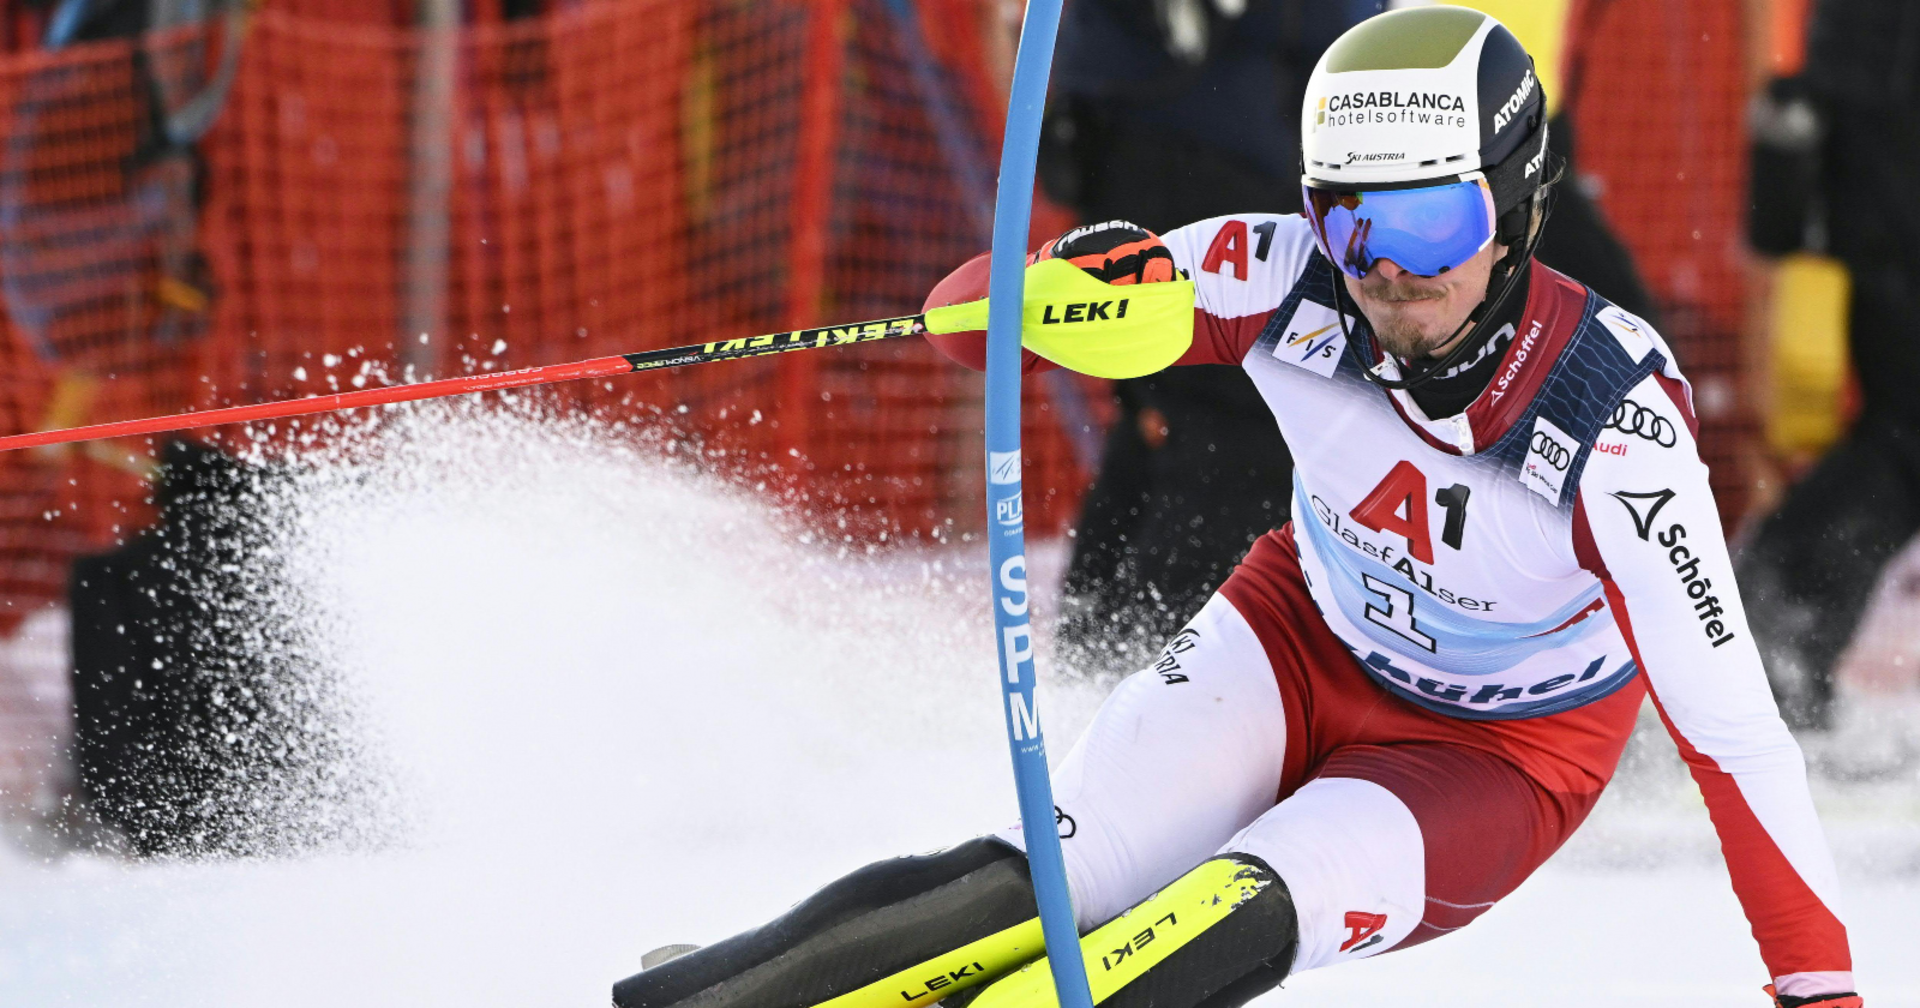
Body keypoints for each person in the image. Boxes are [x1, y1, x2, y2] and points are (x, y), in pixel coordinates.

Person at [611, 9, 1859, 1006]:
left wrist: (1821, 992)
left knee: (1185, 935)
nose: (1387, 273)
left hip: (1491, 757)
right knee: (1049, 882)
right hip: (1297, 638)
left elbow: (1735, 739)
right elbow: (972, 320)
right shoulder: (1284, 274)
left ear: (1518, 208)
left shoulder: (1614, 429)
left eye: (1433, 222)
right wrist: (1049, 294)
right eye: (1352, 218)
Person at [1737, 0, 1920, 731]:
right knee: (1905, 436)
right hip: (1887, 172)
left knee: (1903, 435)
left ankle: (1778, 615)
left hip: (1876, 165)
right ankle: (1775, 610)